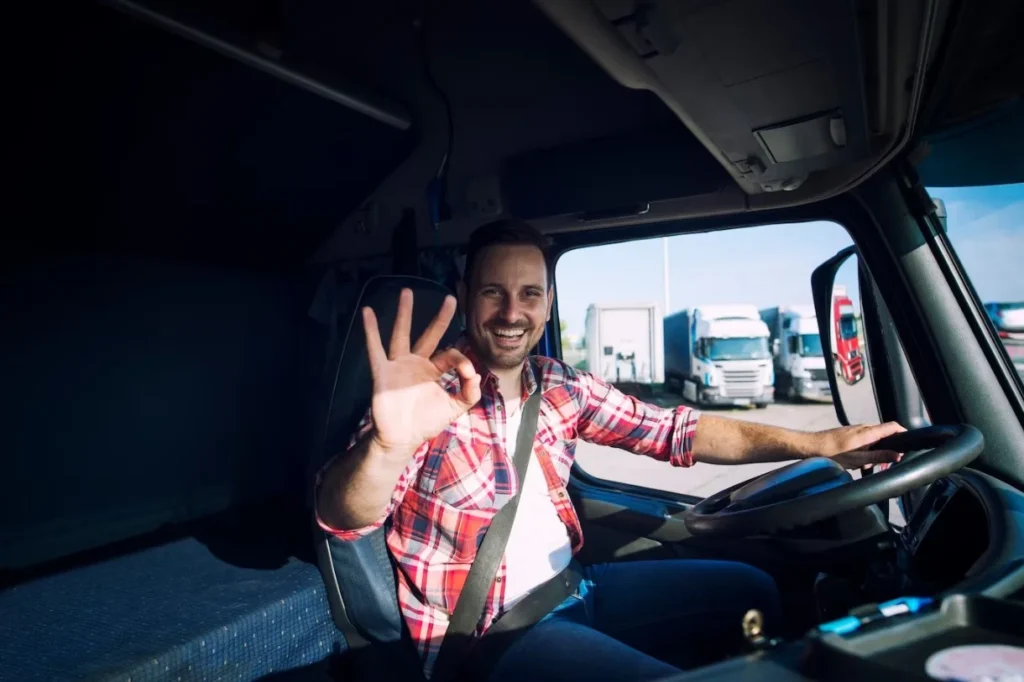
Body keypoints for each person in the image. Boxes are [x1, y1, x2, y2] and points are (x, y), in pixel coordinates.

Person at [315, 219, 903, 681]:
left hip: (575, 588)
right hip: (488, 640)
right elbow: (344, 518)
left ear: (547, 302)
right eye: (493, 291)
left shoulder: (561, 385)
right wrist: (387, 445)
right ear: (466, 294)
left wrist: (823, 443)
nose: (512, 312)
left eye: (529, 294)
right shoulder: (425, 398)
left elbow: (680, 431)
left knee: (756, 590)